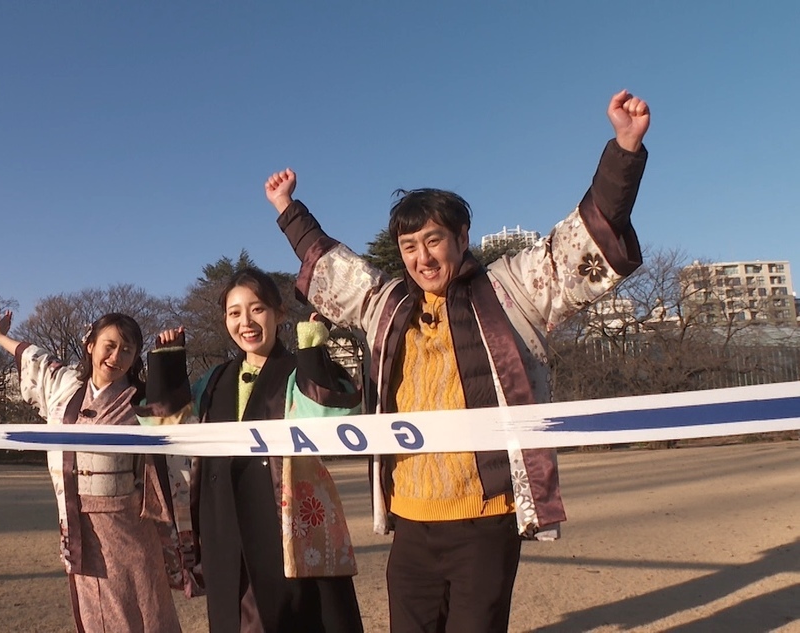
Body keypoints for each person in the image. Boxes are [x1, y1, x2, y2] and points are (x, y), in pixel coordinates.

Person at [264, 90, 651, 632]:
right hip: (411, 520)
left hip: (485, 519)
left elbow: (577, 244)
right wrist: (289, 211)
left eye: (434, 240)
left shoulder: (511, 288)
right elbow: (333, 267)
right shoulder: (386, 304)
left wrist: (624, 151)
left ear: (461, 237)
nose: (422, 258)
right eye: (409, 247)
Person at [140, 267, 365, 633]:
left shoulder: (295, 372)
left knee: (293, 620)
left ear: (279, 314)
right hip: (223, 520)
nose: (245, 321)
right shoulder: (214, 380)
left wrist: (311, 350)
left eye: (257, 309)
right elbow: (165, 426)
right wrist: (166, 366)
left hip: (285, 526)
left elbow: (332, 415)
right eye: (234, 312)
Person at [0, 310, 182, 633]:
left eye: (127, 349)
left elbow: (175, 417)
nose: (116, 356)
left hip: (129, 520)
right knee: (95, 608)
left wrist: (171, 356)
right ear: (90, 344)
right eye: (109, 345)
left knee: (145, 601)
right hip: (80, 517)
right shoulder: (65, 385)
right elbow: (34, 357)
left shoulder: (140, 399)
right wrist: (1, 337)